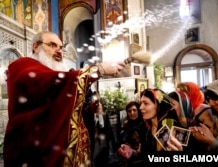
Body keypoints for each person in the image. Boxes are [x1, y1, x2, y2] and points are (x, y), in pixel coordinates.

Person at [3, 31, 126, 167]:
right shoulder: (22, 66)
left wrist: (87, 110)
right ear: (35, 47)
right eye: (52, 45)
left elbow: (59, 110)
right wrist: (99, 70)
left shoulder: (52, 74)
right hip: (37, 154)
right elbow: (51, 83)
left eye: (60, 47)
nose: (59, 51)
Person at [118, 88, 183, 162]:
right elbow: (145, 156)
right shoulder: (146, 130)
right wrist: (132, 152)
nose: (140, 107)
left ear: (159, 106)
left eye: (146, 103)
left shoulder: (175, 131)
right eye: (141, 103)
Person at [118, 101, 146, 167]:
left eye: (134, 110)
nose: (132, 113)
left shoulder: (144, 125)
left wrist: (132, 152)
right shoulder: (126, 125)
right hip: (126, 160)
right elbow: (122, 140)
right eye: (129, 111)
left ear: (138, 111)